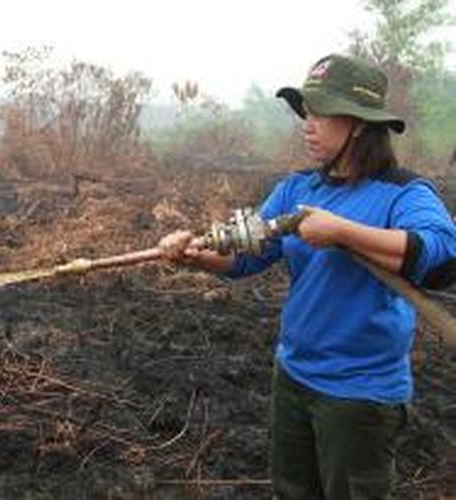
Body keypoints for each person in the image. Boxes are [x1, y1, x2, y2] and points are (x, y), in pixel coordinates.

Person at [158, 53, 456, 499]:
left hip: (359, 395)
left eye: (319, 112)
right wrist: (193, 256)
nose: (307, 123)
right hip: (294, 377)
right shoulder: (297, 190)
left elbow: (442, 257)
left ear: (358, 123)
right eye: (305, 112)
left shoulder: (403, 193)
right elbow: (245, 260)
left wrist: (340, 230)